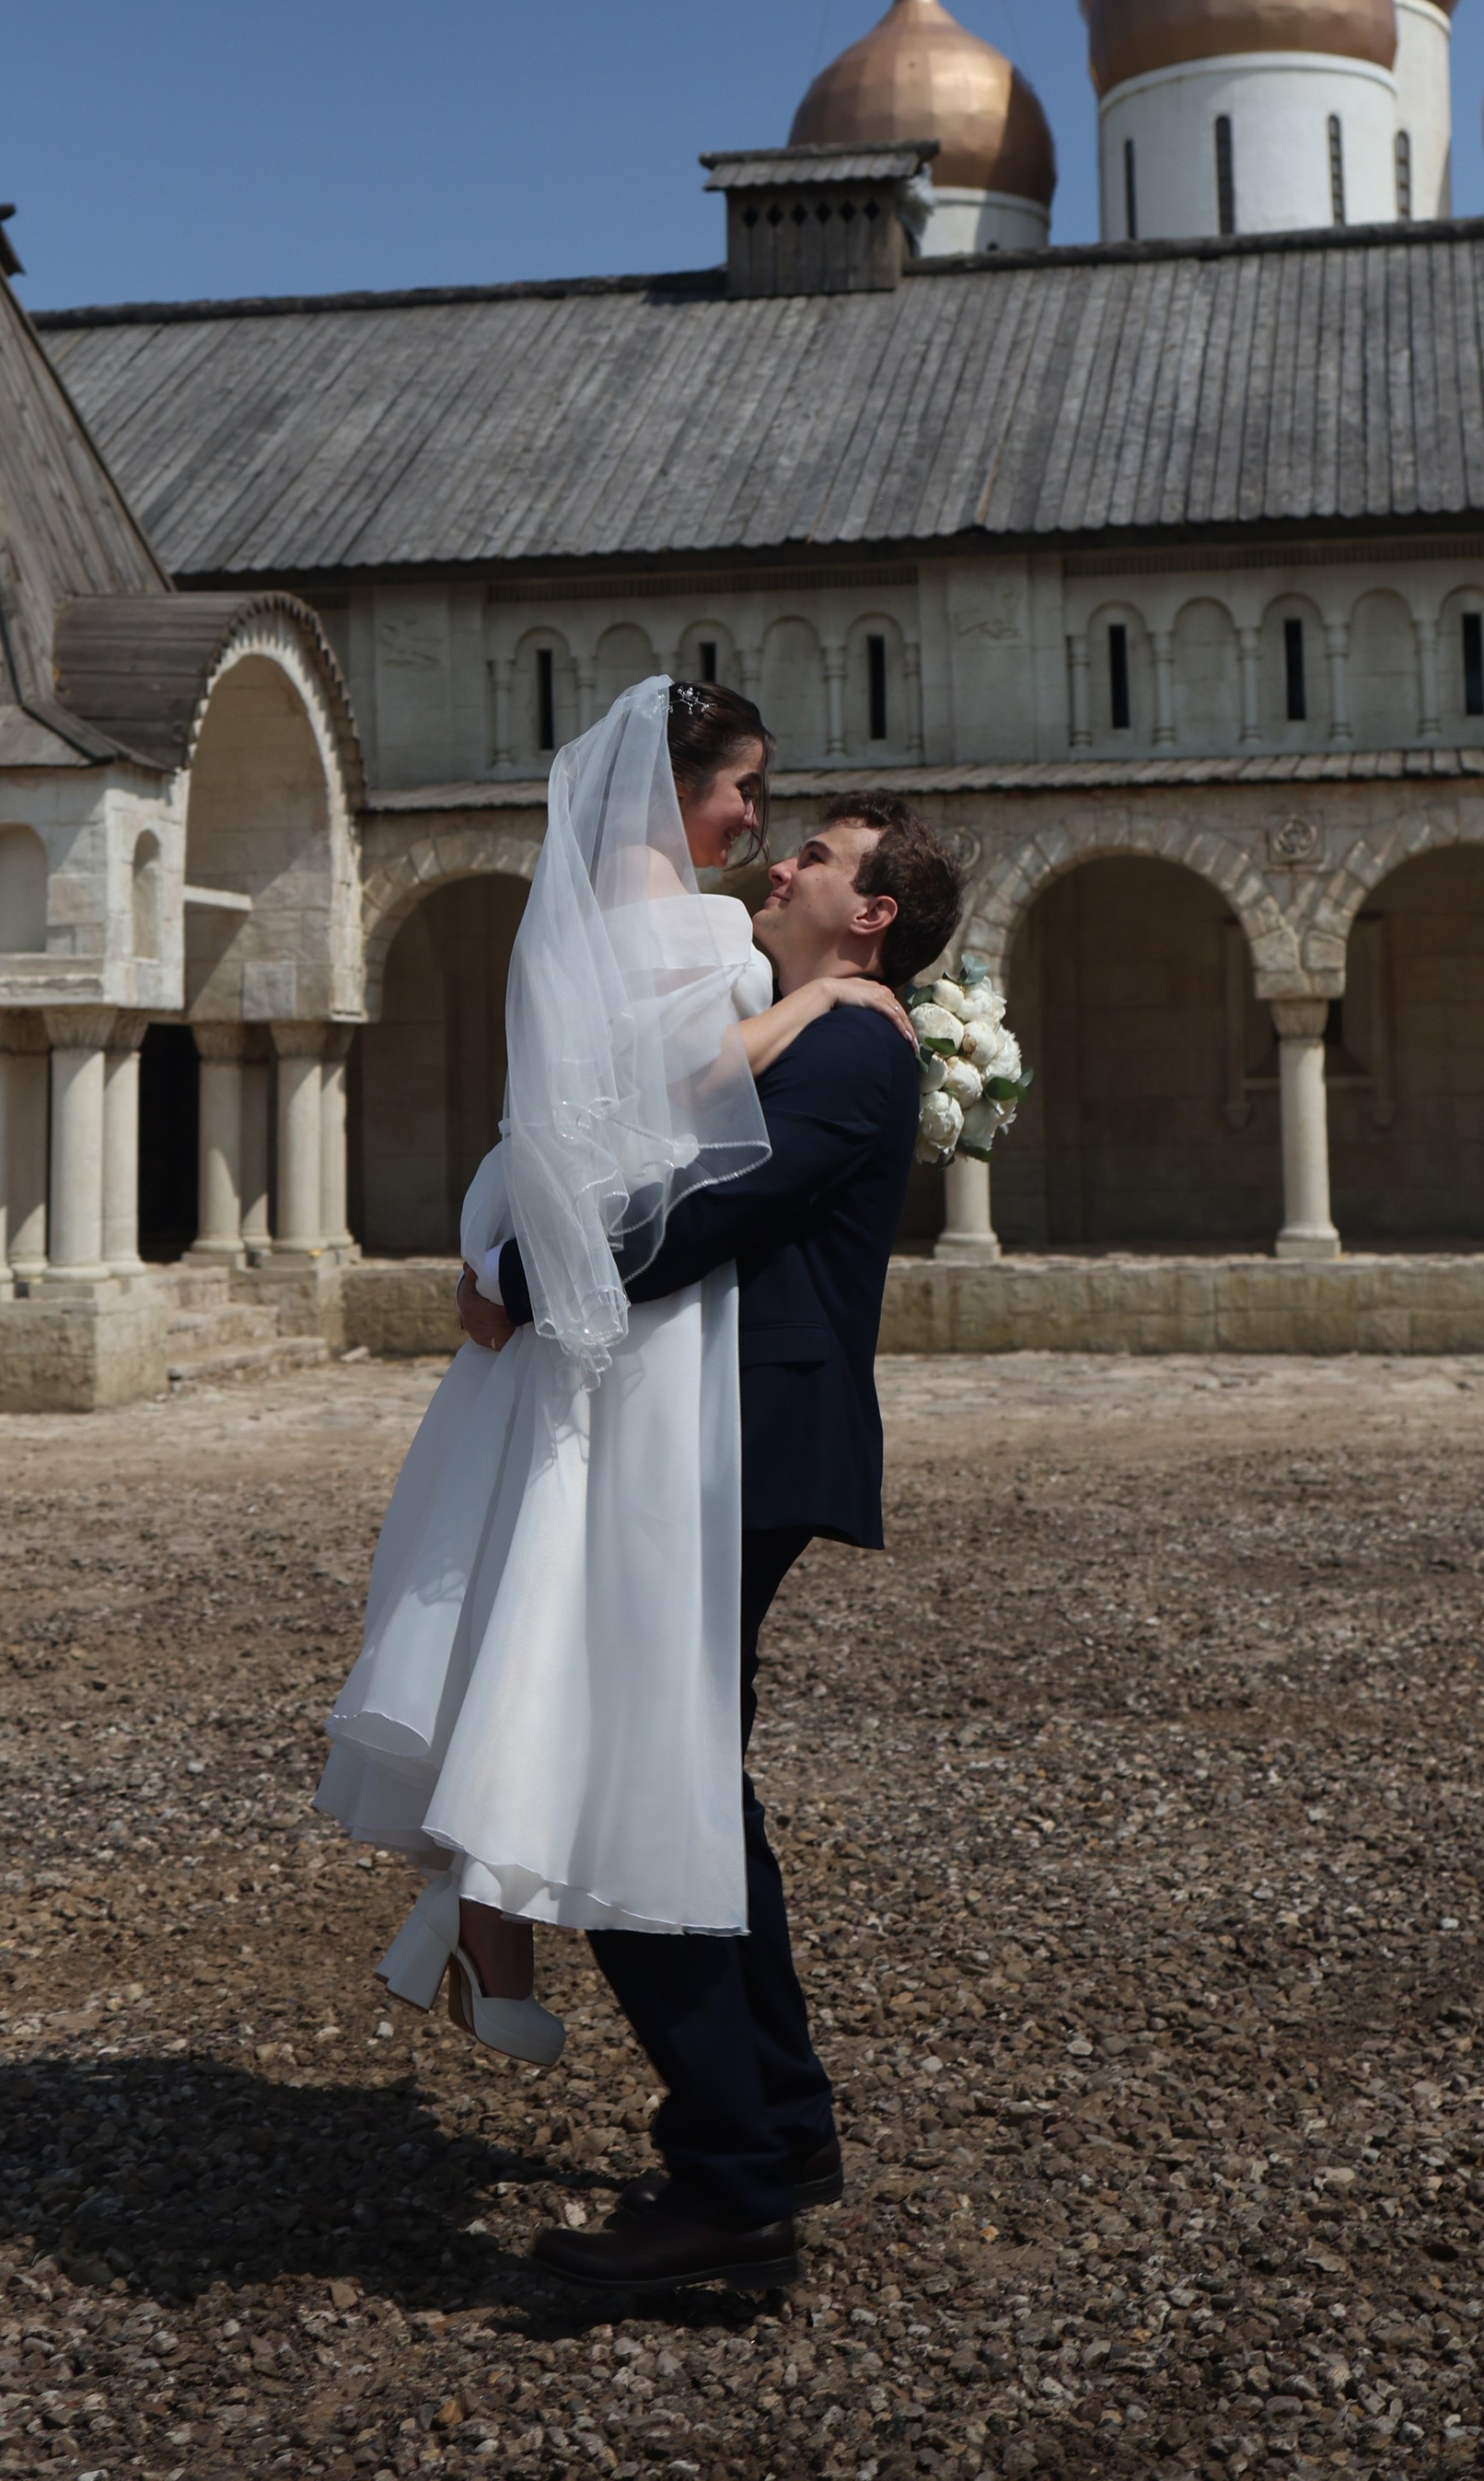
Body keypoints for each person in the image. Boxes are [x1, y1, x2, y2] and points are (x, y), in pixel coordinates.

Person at [314, 679, 913, 2064]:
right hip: (625, 1327)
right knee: (597, 1687)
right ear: (675, 783)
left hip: (580, 1300)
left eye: (789, 826)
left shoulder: (587, 926)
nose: (762, 828)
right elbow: (702, 1101)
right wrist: (832, 1001)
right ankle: (501, 1917)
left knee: (536, 1624)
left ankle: (481, 1909)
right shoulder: (710, 941)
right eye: (747, 791)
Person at [481, 788, 966, 2297]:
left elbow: (715, 1212)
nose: (782, 863)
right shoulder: (825, 1022)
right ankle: (781, 2126)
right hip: (735, 1435)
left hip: (748, 1441)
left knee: (629, 1785)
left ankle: (731, 2189)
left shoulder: (850, 1039)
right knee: (693, 1778)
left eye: (816, 857)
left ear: (871, 913)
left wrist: (514, 1267)